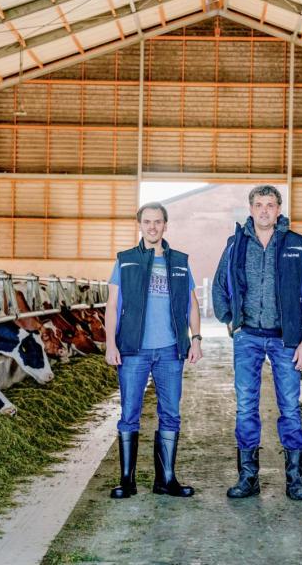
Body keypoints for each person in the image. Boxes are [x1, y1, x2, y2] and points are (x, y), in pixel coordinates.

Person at [212, 185, 302, 501]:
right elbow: (219, 286)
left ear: (278, 210)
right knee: (246, 405)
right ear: (250, 209)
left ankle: (295, 481)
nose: (263, 210)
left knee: (289, 405)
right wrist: (230, 319)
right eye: (258, 205)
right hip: (248, 337)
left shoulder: (296, 246)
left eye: (270, 205)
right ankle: (248, 479)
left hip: (285, 339)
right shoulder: (236, 245)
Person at [104, 201, 203, 499]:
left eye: (158, 222)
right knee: (129, 414)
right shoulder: (126, 260)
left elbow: (192, 303)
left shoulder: (179, 262)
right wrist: (110, 343)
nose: (152, 226)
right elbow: (112, 304)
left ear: (165, 225)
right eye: (147, 222)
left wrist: (195, 339)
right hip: (134, 350)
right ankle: (127, 480)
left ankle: (166, 479)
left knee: (171, 414)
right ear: (140, 225)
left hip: (171, 350)